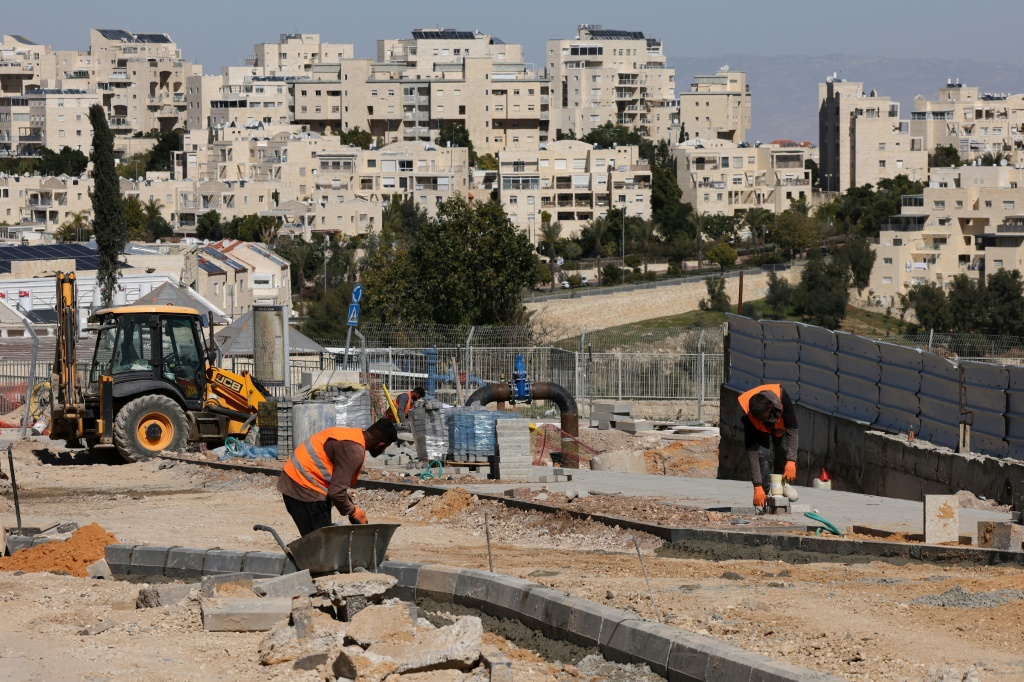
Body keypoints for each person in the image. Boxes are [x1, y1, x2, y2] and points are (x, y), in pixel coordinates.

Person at [277, 418, 398, 536]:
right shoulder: (354, 451)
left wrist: (350, 507)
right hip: (303, 488)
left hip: (297, 479)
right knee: (320, 545)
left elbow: (335, 483)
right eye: (385, 447)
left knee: (323, 542)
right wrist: (354, 512)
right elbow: (336, 492)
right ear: (381, 444)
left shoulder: (351, 435)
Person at [738, 384, 799, 508]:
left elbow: (792, 429)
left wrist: (791, 460)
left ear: (770, 407)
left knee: (782, 449)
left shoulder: (782, 398)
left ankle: (782, 485)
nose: (761, 421)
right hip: (759, 431)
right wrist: (757, 486)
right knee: (763, 457)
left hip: (779, 427)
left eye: (764, 418)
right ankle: (763, 495)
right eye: (758, 419)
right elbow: (752, 452)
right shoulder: (751, 417)